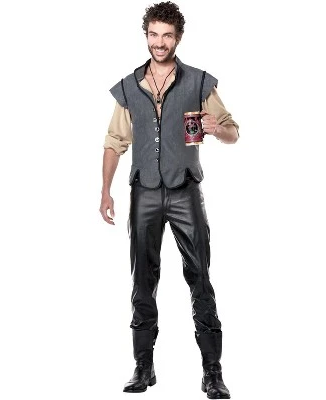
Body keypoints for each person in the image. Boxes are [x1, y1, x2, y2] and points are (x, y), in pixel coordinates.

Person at [99, 2, 239, 398]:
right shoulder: (129, 86)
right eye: (153, 34)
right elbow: (114, 141)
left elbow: (233, 131)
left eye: (167, 36)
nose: (159, 43)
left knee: (200, 278)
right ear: (146, 35)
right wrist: (105, 190)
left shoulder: (199, 82)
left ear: (178, 38)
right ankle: (143, 366)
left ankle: (212, 372)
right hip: (143, 191)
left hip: (185, 191)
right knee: (142, 280)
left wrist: (216, 129)